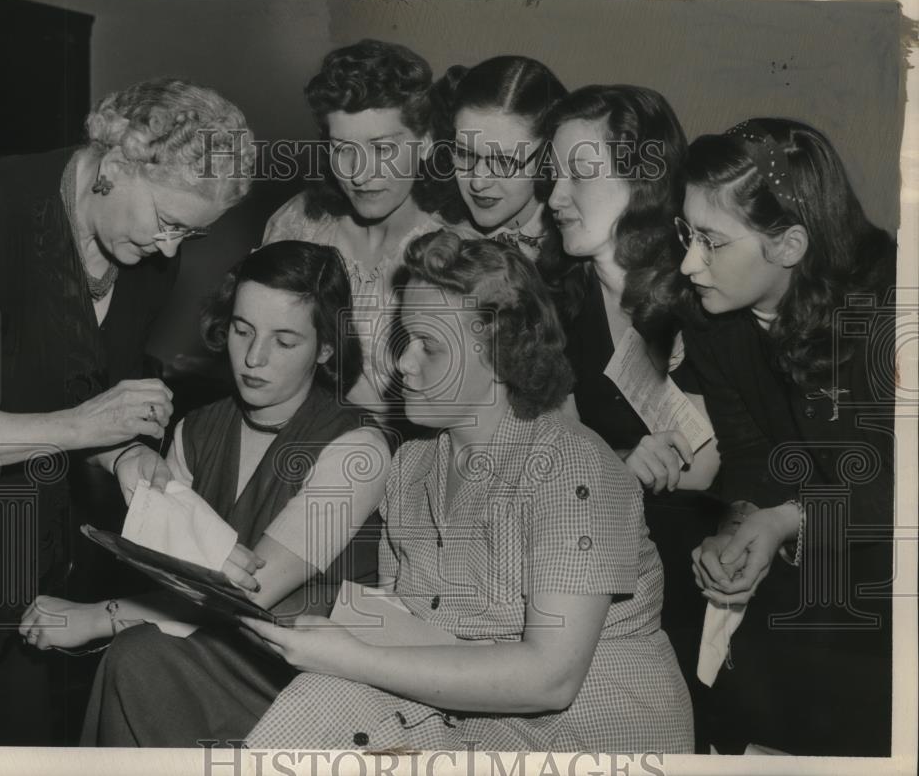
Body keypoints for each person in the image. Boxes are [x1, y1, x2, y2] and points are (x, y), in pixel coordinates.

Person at [242, 230, 694, 753]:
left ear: (502, 356)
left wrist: (344, 656)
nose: (404, 364)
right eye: (404, 340)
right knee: (318, 702)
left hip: (594, 741)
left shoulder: (570, 466)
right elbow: (415, 633)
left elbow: (550, 677)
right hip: (475, 725)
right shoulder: (412, 467)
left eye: (429, 346)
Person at [0, 77, 254, 744]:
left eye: (190, 236)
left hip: (24, 563)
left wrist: (130, 458)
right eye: (169, 223)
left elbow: (101, 391)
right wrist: (88, 428)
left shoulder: (143, 258)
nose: (172, 251)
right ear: (113, 166)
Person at [20, 240, 391, 747]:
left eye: (285, 342)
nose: (254, 358)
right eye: (242, 331)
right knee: (139, 655)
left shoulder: (358, 451)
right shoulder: (195, 433)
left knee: (136, 656)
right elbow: (174, 587)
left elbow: (247, 592)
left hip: (305, 686)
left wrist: (96, 617)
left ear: (325, 348)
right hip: (200, 654)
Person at [681, 118, 896, 756]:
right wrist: (742, 525)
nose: (689, 262)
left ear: (790, 244)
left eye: (712, 242)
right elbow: (749, 452)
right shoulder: (714, 315)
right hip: (819, 557)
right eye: (686, 233)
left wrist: (784, 522)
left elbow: (900, 489)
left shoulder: (889, 315)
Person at [544, 84, 720, 721]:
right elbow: (550, 459)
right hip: (590, 575)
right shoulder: (551, 304)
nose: (556, 196)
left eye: (581, 174)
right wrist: (615, 458)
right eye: (553, 173)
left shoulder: (704, 291)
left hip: (703, 570)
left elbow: (705, 465)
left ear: (643, 180)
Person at [261, 39, 456, 412]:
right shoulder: (298, 223)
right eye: (342, 148)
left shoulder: (456, 249)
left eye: (382, 149)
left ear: (427, 142)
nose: (360, 174)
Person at [431, 55, 566, 265]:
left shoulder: (578, 245)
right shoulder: (427, 225)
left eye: (504, 162)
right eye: (465, 154)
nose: (478, 181)